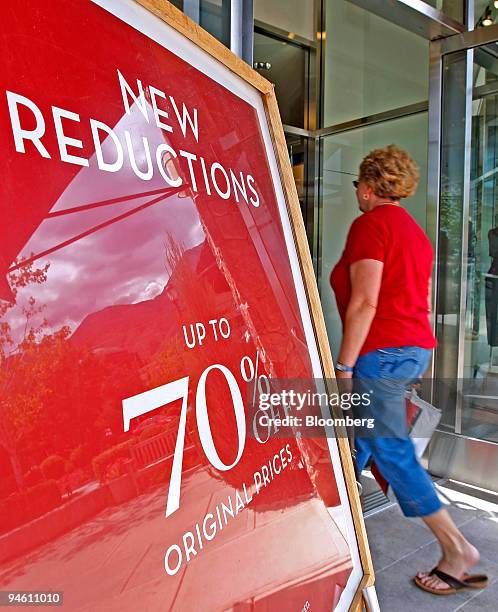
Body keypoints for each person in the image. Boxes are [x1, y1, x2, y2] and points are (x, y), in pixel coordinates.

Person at [330, 144, 488, 595]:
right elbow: (415, 297)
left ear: (370, 185)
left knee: (391, 447)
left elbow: (365, 302)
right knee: (361, 438)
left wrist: (344, 365)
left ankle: (456, 549)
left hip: (381, 351)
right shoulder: (415, 233)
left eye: (359, 183)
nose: (357, 191)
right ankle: (336, 520)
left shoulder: (371, 225)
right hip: (412, 348)